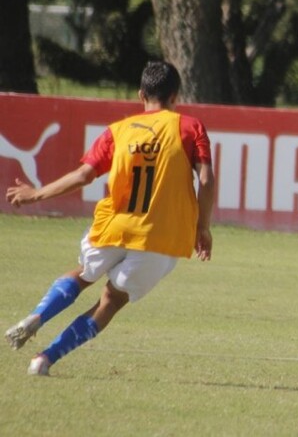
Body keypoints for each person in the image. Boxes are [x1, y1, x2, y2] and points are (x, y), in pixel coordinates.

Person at [4, 61, 215, 376]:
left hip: (115, 226)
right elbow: (207, 179)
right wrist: (203, 227)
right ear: (175, 96)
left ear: (141, 94)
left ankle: (37, 315)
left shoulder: (118, 131)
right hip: (161, 237)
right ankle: (44, 359)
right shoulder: (190, 127)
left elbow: (83, 175)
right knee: (110, 301)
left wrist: (36, 194)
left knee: (82, 274)